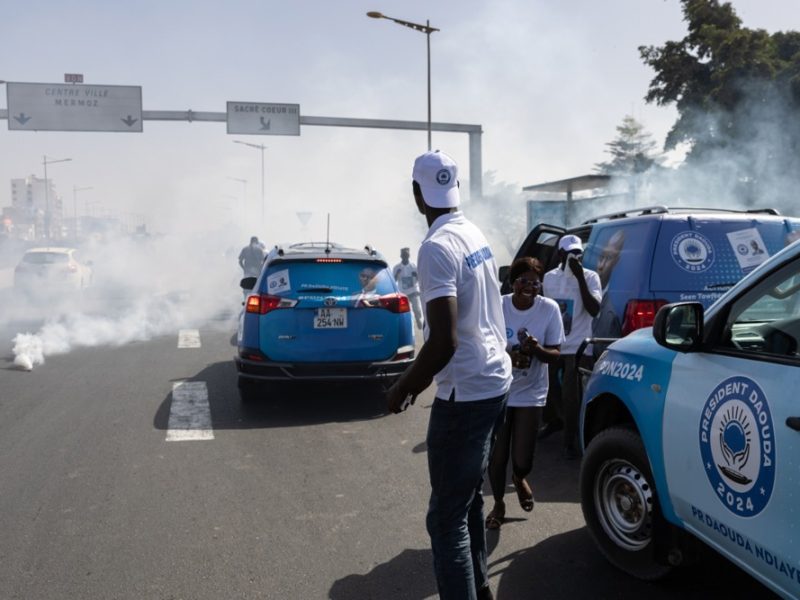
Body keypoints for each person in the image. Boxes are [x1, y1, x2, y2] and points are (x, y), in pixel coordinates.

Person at [386, 150, 512, 600]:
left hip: (467, 392)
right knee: (468, 499)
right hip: (495, 381)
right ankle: (479, 590)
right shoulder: (471, 232)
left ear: (417, 195)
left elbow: (443, 342)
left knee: (445, 518)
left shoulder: (436, 247)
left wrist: (403, 387)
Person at [485, 257, 563, 530]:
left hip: (531, 392)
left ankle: (519, 478)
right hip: (499, 389)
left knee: (523, 459)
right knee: (497, 455)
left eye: (534, 282)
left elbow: (555, 355)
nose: (528, 287)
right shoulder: (498, 305)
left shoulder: (549, 309)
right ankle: (498, 503)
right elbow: (484, 346)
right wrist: (510, 354)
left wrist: (536, 350)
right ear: (512, 282)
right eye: (522, 281)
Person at [541, 234, 601, 459]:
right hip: (556, 343)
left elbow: (594, 309)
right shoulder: (550, 278)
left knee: (571, 395)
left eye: (579, 254)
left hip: (578, 347)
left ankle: (570, 440)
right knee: (548, 390)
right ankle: (557, 421)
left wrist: (580, 279)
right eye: (570, 254)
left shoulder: (591, 277)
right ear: (560, 255)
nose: (575, 258)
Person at [592, 229, 625, 360]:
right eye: (601, 257)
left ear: (618, 262)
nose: (601, 266)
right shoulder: (586, 287)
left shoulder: (615, 304)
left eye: (609, 258)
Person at [393, 247, 425, 329]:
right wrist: (397, 274)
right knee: (405, 312)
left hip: (414, 291)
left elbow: (421, 279)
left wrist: (416, 276)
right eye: (404, 255)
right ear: (401, 256)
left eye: (407, 255)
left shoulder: (414, 266)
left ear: (409, 256)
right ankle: (407, 326)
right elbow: (394, 280)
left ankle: (418, 320)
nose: (405, 256)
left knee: (417, 310)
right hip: (403, 293)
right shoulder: (397, 267)